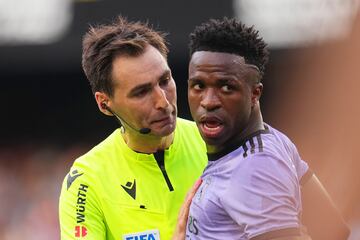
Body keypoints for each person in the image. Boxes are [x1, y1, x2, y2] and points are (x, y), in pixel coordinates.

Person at [173, 17, 350, 240]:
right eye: (198, 86)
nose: (208, 101)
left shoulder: (255, 167)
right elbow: (334, 230)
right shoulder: (273, 140)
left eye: (226, 87)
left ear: (255, 94)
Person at [58, 16, 207, 240]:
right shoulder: (86, 181)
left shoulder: (218, 144)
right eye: (141, 92)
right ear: (104, 104)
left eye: (165, 81)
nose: (163, 102)